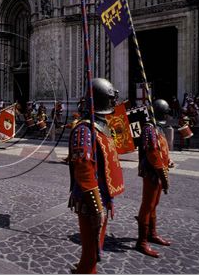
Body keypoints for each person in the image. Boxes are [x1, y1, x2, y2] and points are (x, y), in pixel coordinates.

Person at [69, 78, 124, 274]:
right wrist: (96, 206)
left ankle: (85, 269)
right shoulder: (84, 130)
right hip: (90, 199)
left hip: (103, 195)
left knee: (95, 247)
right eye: (111, 100)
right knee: (91, 251)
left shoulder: (101, 127)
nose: (113, 104)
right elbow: (83, 169)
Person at [135, 99, 173, 258]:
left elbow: (162, 149)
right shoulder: (149, 129)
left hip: (159, 170)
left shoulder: (159, 128)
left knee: (154, 204)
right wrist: (161, 171)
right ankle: (142, 241)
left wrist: (168, 160)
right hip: (152, 171)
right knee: (147, 204)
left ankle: (152, 233)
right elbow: (152, 152)